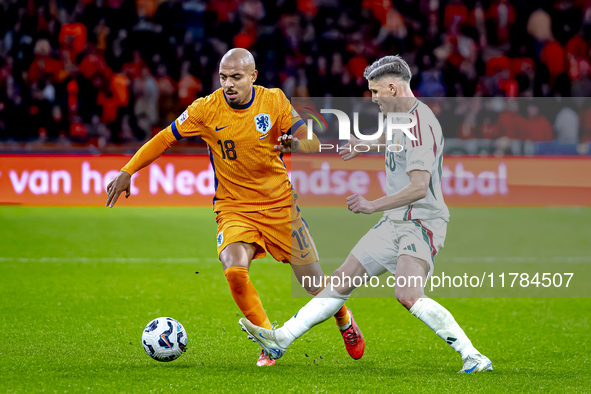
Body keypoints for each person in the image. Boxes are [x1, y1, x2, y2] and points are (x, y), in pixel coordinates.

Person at [105, 48, 364, 366]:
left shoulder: (274, 101)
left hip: (280, 206)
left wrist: (296, 144)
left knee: (313, 284)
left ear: (253, 77)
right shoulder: (205, 109)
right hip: (233, 208)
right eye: (223, 77)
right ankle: (270, 341)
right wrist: (128, 170)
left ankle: (344, 319)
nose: (228, 84)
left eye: (236, 77)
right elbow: (164, 138)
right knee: (234, 269)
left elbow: (308, 140)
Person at [239, 55, 493, 373]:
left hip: (419, 222)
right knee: (341, 281)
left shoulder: (421, 125)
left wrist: (373, 204)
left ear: (392, 87)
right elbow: (395, 141)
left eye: (375, 92)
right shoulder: (403, 114)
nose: (372, 98)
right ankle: (281, 339)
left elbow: (418, 187)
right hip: (394, 222)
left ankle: (474, 356)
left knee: (408, 293)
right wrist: (367, 145)